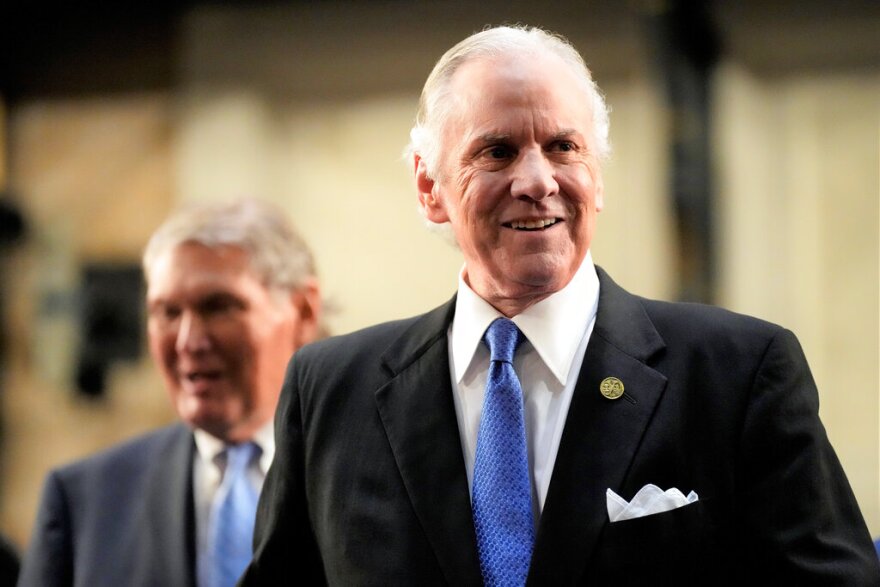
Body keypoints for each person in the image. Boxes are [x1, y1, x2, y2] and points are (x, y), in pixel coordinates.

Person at [241, 25, 880, 585]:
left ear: (596, 178)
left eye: (562, 147)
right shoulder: (328, 391)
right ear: (430, 187)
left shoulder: (739, 372)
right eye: (496, 151)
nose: (537, 181)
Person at [18, 198, 322, 587]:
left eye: (219, 306)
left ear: (303, 311)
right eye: (167, 312)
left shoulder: (368, 481)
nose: (189, 341)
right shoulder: (85, 502)